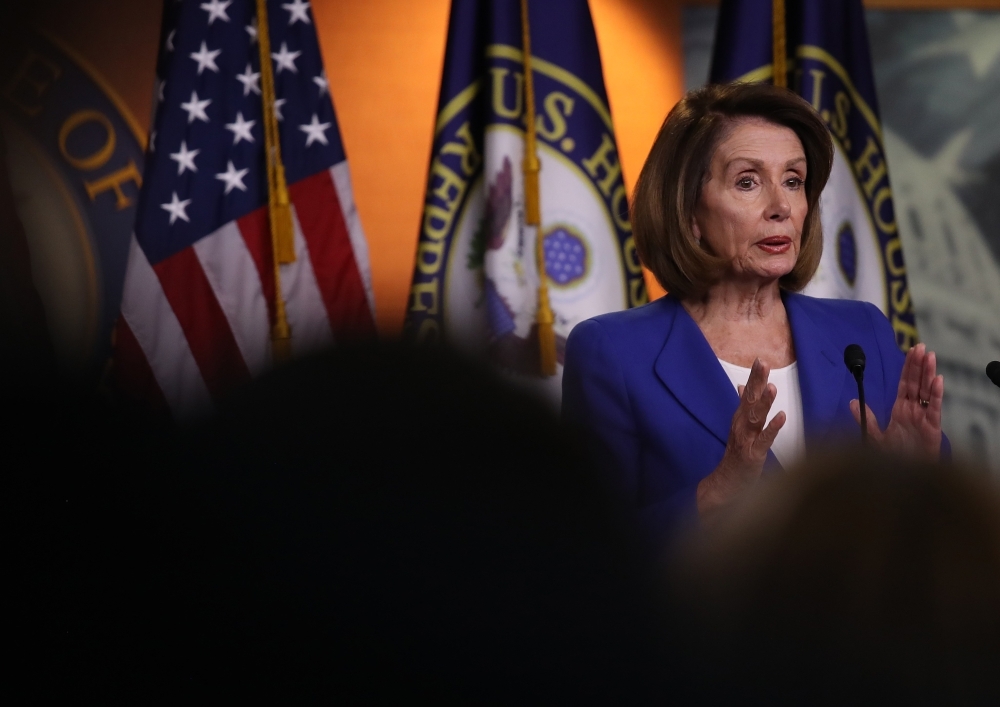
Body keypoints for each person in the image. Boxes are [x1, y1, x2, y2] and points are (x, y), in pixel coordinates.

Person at [562, 82, 947, 543]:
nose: (781, 207)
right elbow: (590, 553)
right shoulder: (614, 354)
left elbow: (936, 550)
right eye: (747, 182)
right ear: (689, 212)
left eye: (793, 181)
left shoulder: (861, 332)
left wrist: (920, 479)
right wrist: (720, 490)